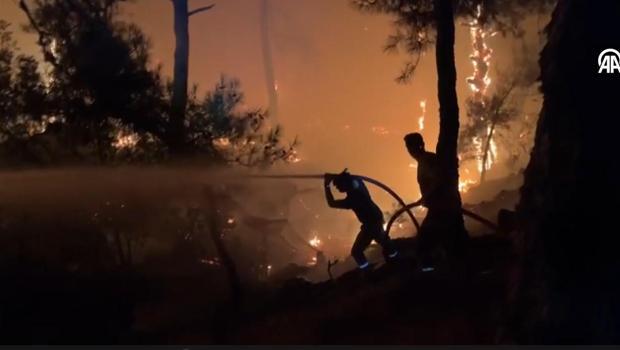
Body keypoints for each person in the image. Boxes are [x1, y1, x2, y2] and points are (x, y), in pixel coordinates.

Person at [404, 132, 469, 271]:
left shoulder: (427, 161)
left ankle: (430, 276)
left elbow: (438, 179)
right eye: (408, 147)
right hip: (441, 207)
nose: (410, 151)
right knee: (449, 241)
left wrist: (426, 196)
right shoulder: (425, 161)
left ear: (420, 145)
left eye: (411, 146)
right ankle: (454, 270)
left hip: (441, 209)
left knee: (423, 243)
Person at [324, 170, 398, 272]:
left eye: (338, 186)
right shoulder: (359, 185)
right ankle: (395, 258)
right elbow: (353, 178)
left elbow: (331, 203)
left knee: (356, 252)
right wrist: (337, 176)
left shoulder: (353, 199)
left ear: (345, 184)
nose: (337, 188)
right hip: (376, 218)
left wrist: (327, 186)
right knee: (383, 240)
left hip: (370, 225)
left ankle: (368, 270)